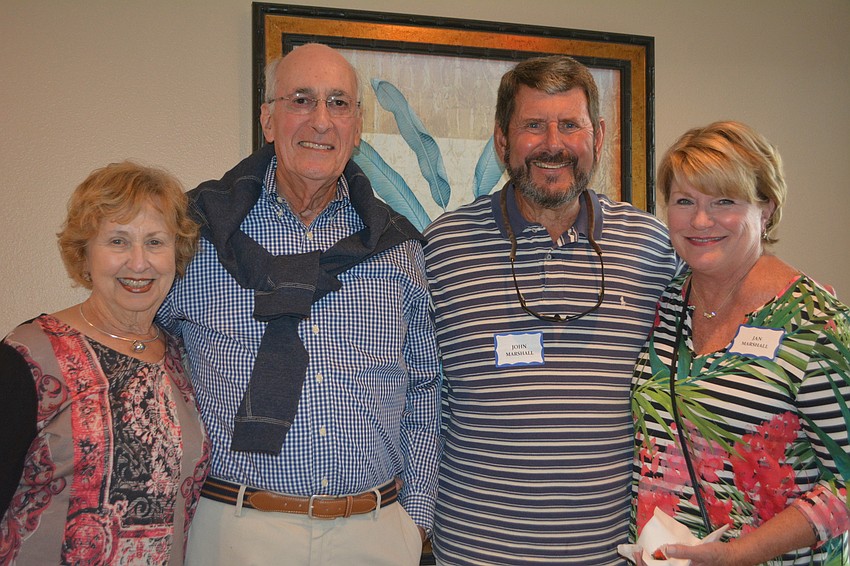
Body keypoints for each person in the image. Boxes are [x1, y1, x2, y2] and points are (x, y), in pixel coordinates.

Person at [156, 43, 441, 565]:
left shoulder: (398, 248)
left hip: (374, 531)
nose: (321, 121)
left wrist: (414, 515)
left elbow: (426, 383)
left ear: (357, 128)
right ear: (268, 120)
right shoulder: (195, 233)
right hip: (234, 530)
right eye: (301, 100)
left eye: (338, 103)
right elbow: (138, 347)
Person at [423, 54, 680, 565]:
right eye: (533, 126)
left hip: (607, 554)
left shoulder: (652, 247)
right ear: (502, 140)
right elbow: (414, 398)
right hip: (475, 552)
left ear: (598, 136)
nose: (554, 144)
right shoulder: (443, 249)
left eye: (570, 125)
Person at [629, 120, 850, 565]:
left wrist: (740, 554)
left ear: (766, 207)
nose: (700, 220)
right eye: (684, 201)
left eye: (724, 201)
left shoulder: (814, 322)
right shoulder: (664, 306)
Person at [0, 161, 210, 565]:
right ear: (85, 254)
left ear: (176, 255)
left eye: (155, 242)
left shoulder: (181, 358)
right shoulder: (28, 357)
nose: (138, 262)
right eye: (117, 241)